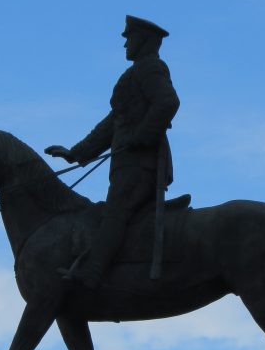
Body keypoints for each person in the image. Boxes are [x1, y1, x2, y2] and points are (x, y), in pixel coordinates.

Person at [46, 15, 180, 287]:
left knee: (116, 213)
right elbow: (113, 123)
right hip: (127, 161)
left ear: (143, 40)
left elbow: (168, 102)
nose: (125, 45)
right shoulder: (136, 73)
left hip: (141, 163)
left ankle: (93, 272)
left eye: (129, 38)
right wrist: (76, 153)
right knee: (116, 214)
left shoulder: (151, 68)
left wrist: (142, 136)